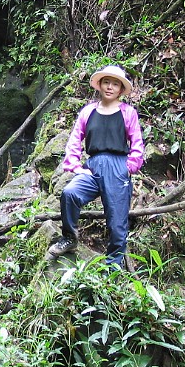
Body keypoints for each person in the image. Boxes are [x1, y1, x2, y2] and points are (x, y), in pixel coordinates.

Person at [47, 65, 145, 266]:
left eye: (115, 84)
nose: (110, 87)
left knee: (117, 222)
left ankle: (114, 268)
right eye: (106, 82)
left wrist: (129, 167)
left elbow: (137, 143)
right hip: (92, 165)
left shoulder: (128, 112)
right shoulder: (88, 111)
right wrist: (75, 166)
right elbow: (75, 140)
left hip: (118, 166)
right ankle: (69, 238)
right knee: (70, 193)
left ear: (120, 89)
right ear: (99, 85)